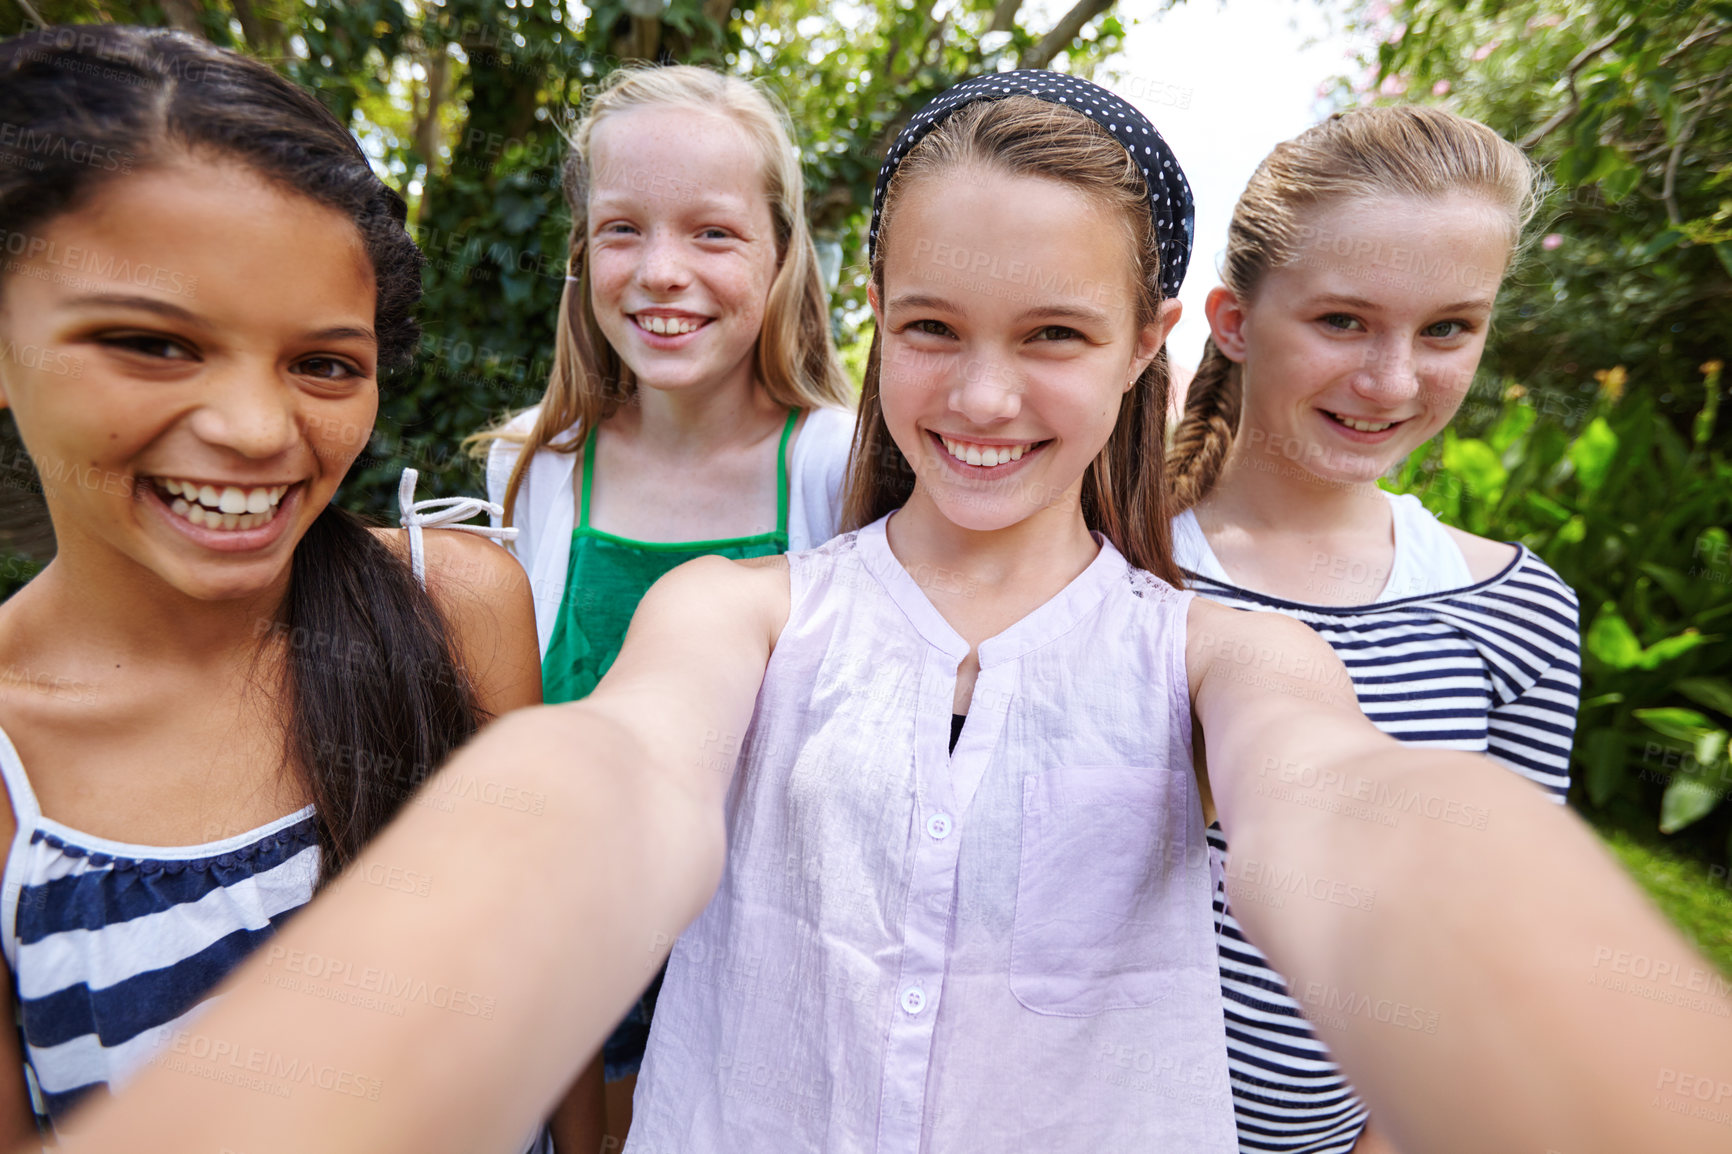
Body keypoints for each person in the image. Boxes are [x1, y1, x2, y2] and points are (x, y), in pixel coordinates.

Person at [25, 69, 1732, 1154]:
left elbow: (1354, 814)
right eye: (931, 327)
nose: (981, 395)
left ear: (1148, 341)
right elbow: (604, 781)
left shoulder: (1223, 647)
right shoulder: (737, 611)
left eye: (1052, 336)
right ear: (876, 324)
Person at [0, 25, 539, 1149]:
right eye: (153, 343)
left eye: (324, 363)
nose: (255, 430)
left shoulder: (463, 609)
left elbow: (548, 1023)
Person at [1165, 106, 1580, 1153]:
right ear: (1231, 320)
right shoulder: (1108, 559)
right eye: (1342, 321)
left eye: (1447, 328)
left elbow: (1489, 938)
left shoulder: (1514, 611)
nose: (1391, 381)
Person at [472, 64, 855, 1147]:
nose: (661, 272)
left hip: (768, 1022)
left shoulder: (839, 469)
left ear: (783, 255)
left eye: (713, 234)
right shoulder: (528, 468)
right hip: (562, 1013)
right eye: (621, 229)